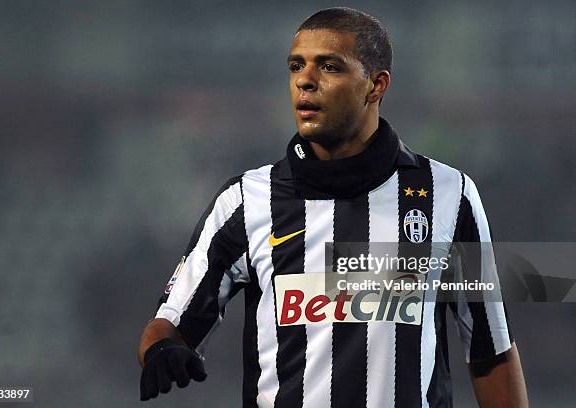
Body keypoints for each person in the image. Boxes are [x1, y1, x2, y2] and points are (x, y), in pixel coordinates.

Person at [138, 7, 528, 407]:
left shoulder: (448, 194)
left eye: (329, 67)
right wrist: (161, 350)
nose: (305, 81)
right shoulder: (245, 200)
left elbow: (490, 350)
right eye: (296, 66)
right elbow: (170, 324)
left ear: (376, 85)